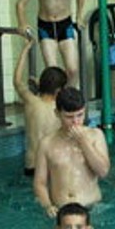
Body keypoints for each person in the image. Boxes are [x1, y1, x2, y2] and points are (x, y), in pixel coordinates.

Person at [15, 0, 86, 87]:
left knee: (73, 69)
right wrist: (22, 23)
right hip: (46, 27)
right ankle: (54, 98)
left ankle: (67, 96)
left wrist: (79, 15)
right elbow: (20, 3)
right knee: (53, 73)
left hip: (65, 25)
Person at [34, 87, 110, 217]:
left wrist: (84, 142)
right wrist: (48, 206)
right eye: (69, 117)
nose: (76, 122)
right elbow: (39, 183)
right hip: (61, 210)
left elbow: (103, 171)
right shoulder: (46, 143)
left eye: (80, 115)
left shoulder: (96, 136)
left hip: (92, 208)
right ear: (57, 113)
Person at [12, 36, 67, 176]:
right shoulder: (60, 109)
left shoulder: (31, 102)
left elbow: (17, 80)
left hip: (32, 166)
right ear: (58, 91)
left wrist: (26, 48)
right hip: (51, 168)